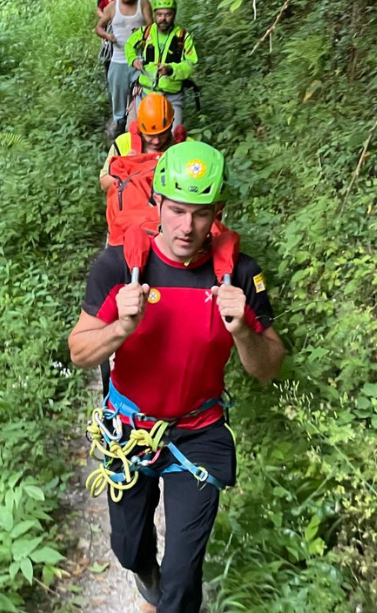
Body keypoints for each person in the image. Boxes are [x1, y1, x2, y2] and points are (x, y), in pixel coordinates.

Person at [68, 141, 285, 613]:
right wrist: (122, 327)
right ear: (159, 205)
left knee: (184, 575)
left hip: (198, 432)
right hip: (130, 431)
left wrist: (244, 329)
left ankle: (173, 600)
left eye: (201, 214)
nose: (187, 227)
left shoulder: (240, 276)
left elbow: (268, 368)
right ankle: (151, 587)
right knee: (129, 550)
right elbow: (80, 351)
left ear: (217, 214)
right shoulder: (119, 269)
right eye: (178, 210)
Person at [125, 0, 198, 127]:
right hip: (146, 93)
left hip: (172, 96)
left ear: (174, 14)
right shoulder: (145, 32)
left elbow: (191, 64)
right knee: (134, 132)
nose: (163, 19)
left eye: (168, 14)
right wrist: (133, 59)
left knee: (174, 135)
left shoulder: (182, 36)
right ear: (154, 15)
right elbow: (129, 45)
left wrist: (171, 70)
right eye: (159, 14)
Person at [95, 0, 152, 138]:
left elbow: (151, 27)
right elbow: (98, 27)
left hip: (141, 58)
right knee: (117, 93)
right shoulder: (113, 7)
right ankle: (120, 122)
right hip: (119, 58)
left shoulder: (143, 3)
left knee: (146, 92)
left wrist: (143, 36)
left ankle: (145, 124)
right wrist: (108, 36)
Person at [99, 93, 179, 192]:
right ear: (140, 128)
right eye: (150, 136)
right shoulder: (123, 143)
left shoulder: (182, 146)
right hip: (133, 204)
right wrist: (125, 167)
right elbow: (104, 185)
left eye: (162, 134)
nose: (157, 141)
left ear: (171, 125)